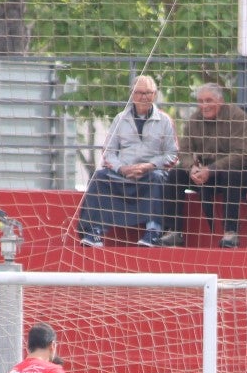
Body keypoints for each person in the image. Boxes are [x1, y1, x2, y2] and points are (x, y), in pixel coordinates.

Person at [76, 75, 179, 249]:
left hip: (150, 173)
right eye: (139, 93)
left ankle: (153, 232)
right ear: (132, 94)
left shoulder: (165, 120)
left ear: (155, 95)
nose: (144, 97)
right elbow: (108, 152)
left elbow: (173, 154)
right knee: (99, 177)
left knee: (158, 178)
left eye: (148, 93)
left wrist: (149, 166)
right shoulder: (120, 118)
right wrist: (122, 168)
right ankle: (95, 231)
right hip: (123, 173)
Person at [158, 83, 247, 249]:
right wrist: (191, 168)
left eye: (208, 100)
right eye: (200, 101)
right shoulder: (195, 120)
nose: (204, 105)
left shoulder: (239, 117)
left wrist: (211, 170)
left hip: (238, 172)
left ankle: (231, 232)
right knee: (175, 174)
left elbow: (241, 155)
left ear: (221, 101)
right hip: (205, 171)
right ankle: (174, 230)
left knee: (230, 174)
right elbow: (185, 150)